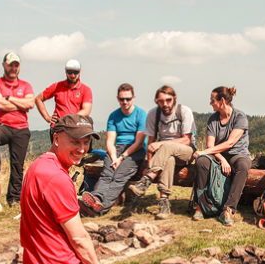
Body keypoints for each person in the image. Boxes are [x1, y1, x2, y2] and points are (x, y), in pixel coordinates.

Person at [19, 114, 117, 264]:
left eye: (86, 142)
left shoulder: (37, 166)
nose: (81, 149)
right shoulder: (57, 178)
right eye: (75, 141)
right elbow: (79, 238)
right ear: (56, 138)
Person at [128, 85, 196, 220]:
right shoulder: (153, 114)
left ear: (174, 98)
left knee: (167, 146)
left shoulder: (184, 111)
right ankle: (164, 203)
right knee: (169, 159)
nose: (165, 104)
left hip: (186, 151)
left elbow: (186, 140)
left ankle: (146, 180)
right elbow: (150, 142)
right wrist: (150, 163)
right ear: (156, 101)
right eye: (161, 101)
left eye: (168, 100)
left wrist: (160, 145)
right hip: (165, 155)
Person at [79, 84, 147, 216]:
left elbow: (139, 143)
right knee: (107, 174)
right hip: (118, 149)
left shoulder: (141, 114)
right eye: (122, 99)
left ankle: (100, 209)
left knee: (119, 177)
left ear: (133, 98)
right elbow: (110, 141)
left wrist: (121, 158)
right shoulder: (114, 116)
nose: (125, 102)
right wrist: (114, 157)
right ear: (118, 99)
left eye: (128, 99)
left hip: (135, 151)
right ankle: (96, 198)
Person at [191, 86, 251, 227]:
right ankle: (200, 206)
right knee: (201, 161)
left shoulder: (240, 117)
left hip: (238, 154)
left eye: (212, 100)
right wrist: (222, 159)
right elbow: (210, 145)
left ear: (222, 101)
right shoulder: (213, 119)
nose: (210, 103)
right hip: (217, 155)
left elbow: (230, 143)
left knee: (242, 166)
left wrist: (203, 152)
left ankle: (228, 210)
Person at [0, 52, 35, 208]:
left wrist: (9, 99)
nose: (13, 68)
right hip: (2, 125)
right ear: (4, 65)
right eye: (10, 65)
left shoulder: (26, 85)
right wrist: (21, 104)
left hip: (21, 128)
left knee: (17, 165)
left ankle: (14, 199)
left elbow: (30, 104)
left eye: (16, 65)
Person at [35, 58, 93, 125]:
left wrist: (70, 119)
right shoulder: (57, 86)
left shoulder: (85, 89)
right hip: (58, 125)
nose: (73, 75)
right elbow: (38, 99)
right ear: (66, 72)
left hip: (76, 125)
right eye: (70, 72)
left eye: (75, 72)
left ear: (80, 72)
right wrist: (47, 117)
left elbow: (86, 110)